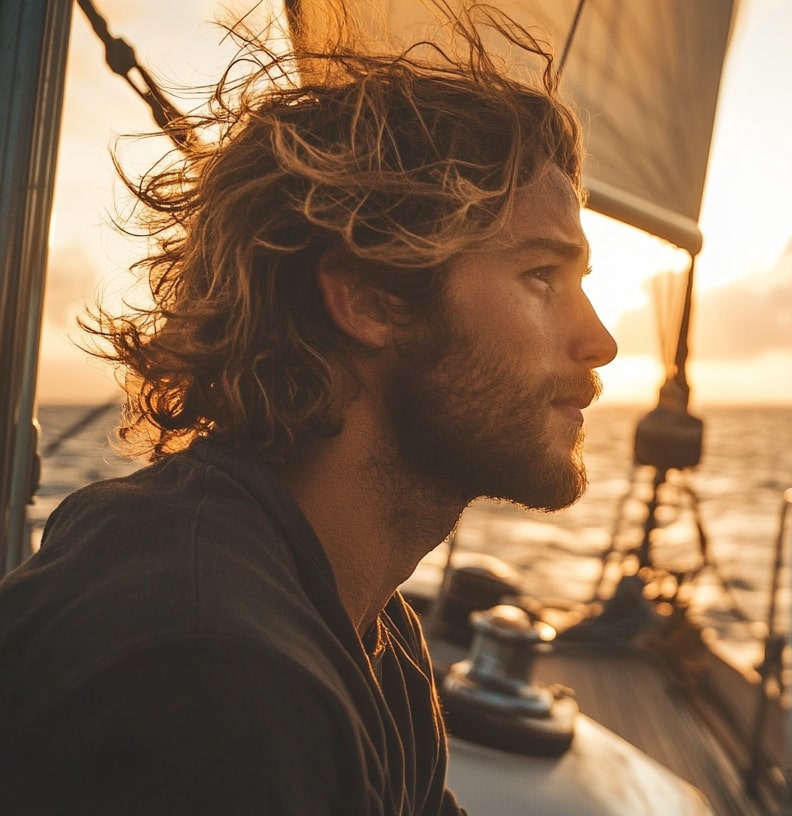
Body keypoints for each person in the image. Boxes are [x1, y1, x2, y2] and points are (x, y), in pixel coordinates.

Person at [0, 5, 615, 814]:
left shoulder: (368, 633)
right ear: (368, 298)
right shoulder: (212, 683)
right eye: (542, 277)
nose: (600, 342)